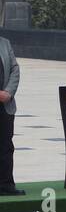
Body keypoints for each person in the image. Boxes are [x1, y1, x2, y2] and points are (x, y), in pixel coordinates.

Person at [0, 34, 22, 196]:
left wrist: (8, 92)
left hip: (5, 104)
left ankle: (6, 184)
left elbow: (15, 69)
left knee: (6, 146)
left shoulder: (5, 43)